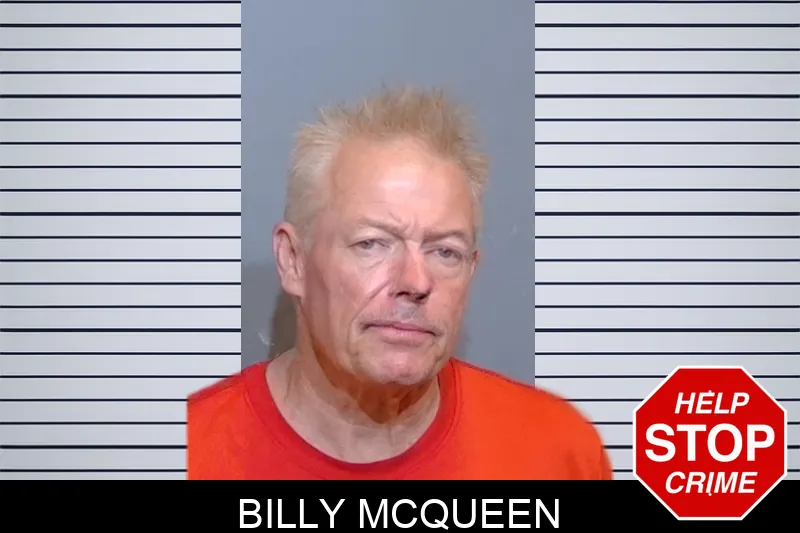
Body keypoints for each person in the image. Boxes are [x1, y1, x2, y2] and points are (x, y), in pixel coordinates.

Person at [187, 86, 612, 480]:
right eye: (372, 243)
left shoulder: (558, 453)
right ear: (293, 260)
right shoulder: (189, 455)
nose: (416, 281)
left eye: (445, 251)